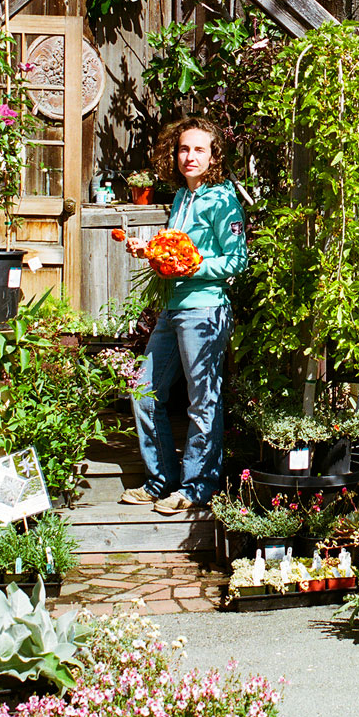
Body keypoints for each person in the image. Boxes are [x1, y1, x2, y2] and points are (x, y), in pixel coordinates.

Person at [120, 116, 247, 516]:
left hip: (205, 310)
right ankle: (161, 481)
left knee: (202, 401)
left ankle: (196, 487)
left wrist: (193, 265)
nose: (189, 157)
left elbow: (237, 260)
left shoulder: (222, 199)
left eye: (198, 150)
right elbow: (171, 254)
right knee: (143, 391)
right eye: (183, 149)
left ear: (214, 156)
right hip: (173, 309)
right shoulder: (180, 198)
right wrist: (151, 252)